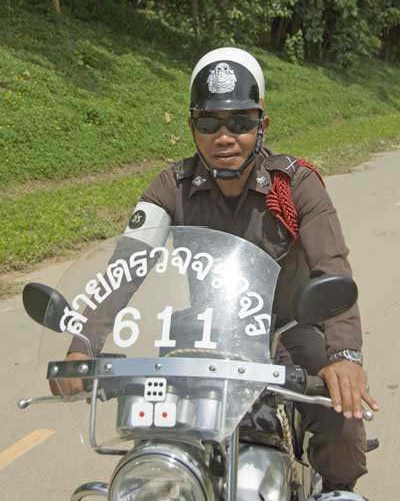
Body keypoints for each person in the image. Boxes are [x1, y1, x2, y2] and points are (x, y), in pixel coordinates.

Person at [63, 47, 378, 495]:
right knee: (154, 429)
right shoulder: (170, 187)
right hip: (207, 334)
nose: (224, 137)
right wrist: (82, 344)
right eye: (209, 123)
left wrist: (344, 357)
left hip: (287, 331)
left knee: (341, 421)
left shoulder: (296, 186)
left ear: (262, 126)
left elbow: (333, 268)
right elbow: (126, 268)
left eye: (241, 122)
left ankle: (335, 490)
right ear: (193, 127)